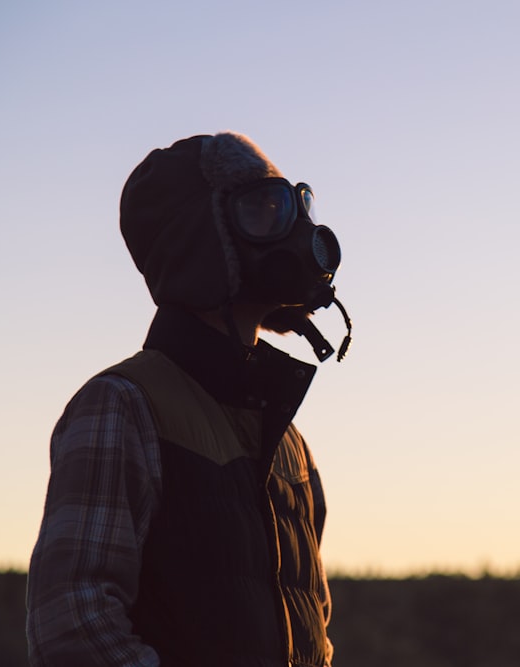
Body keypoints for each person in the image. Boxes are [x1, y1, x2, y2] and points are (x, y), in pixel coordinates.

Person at [26, 132, 352, 666]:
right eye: (265, 211)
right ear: (203, 242)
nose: (299, 233)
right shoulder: (122, 407)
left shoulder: (288, 441)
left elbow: (311, 624)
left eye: (296, 207)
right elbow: (73, 628)